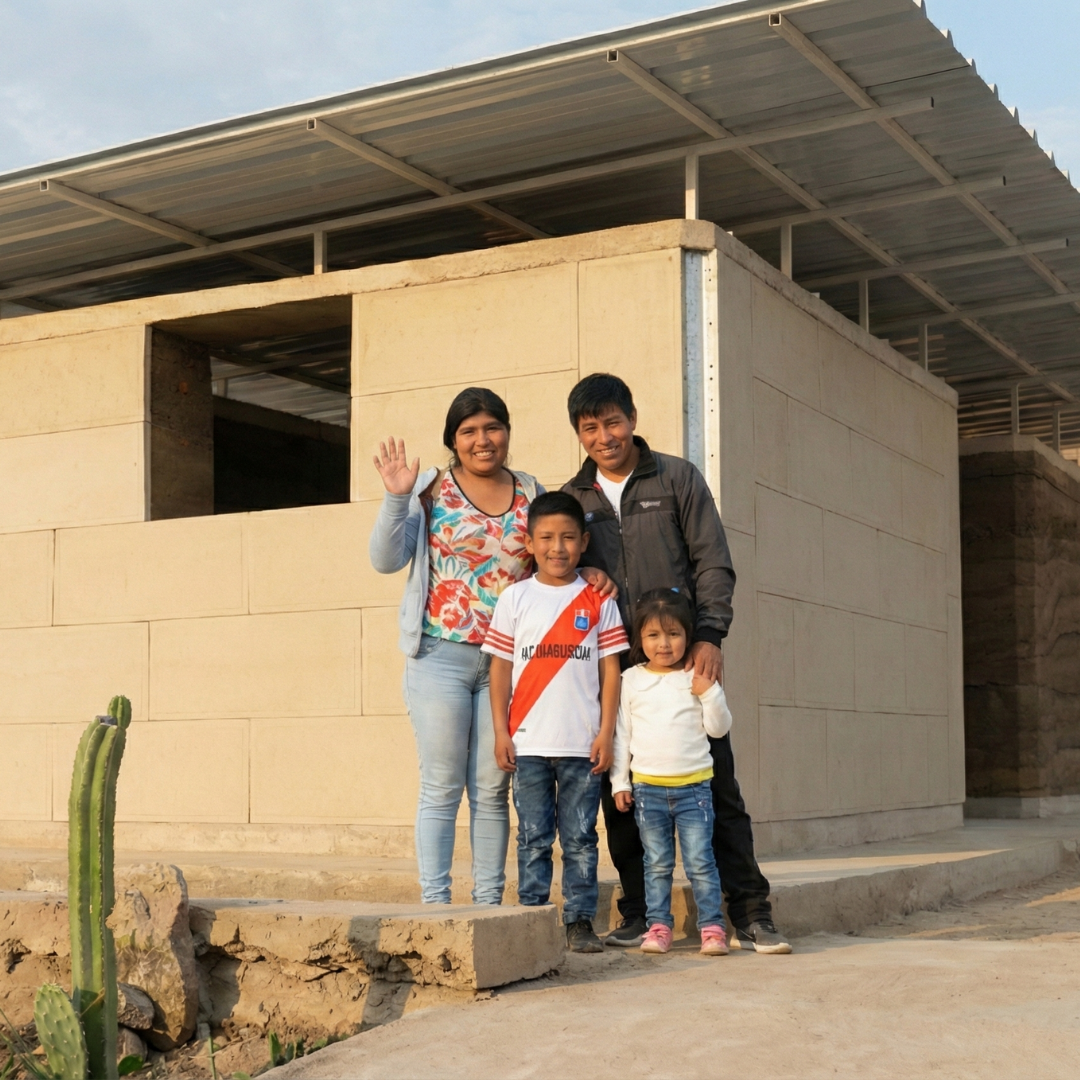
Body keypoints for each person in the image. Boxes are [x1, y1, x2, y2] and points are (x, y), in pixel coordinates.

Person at [562, 372, 791, 954]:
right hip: (616, 671)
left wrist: (710, 635)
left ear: (632, 419)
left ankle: (751, 914)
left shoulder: (676, 477)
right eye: (591, 428)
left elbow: (713, 560)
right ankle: (640, 913)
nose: (605, 436)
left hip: (681, 658)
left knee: (720, 790)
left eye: (613, 422)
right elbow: (554, 570)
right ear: (580, 434)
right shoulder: (576, 499)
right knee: (623, 795)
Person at [369, 387, 613, 906]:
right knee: (440, 786)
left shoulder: (528, 489)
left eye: (492, 427)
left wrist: (585, 570)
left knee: (491, 789)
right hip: (440, 657)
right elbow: (386, 560)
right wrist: (396, 497)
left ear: (506, 431)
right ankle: (436, 904)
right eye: (469, 431)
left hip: (508, 666)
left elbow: (551, 546)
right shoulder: (431, 488)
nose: (483, 440)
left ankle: (486, 906)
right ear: (453, 441)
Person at [483, 492, 629, 952]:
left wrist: (606, 733)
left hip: (582, 745)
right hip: (526, 744)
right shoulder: (515, 598)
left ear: (584, 542)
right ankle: (533, 915)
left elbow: (610, 670)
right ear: (529, 542)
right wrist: (501, 732)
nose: (558, 548)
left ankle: (579, 921)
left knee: (581, 838)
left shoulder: (598, 599)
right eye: (546, 538)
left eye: (568, 538)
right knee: (533, 837)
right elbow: (500, 668)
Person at [612, 589, 734, 956]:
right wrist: (620, 781)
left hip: (694, 788)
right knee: (657, 863)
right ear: (640, 639)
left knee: (700, 861)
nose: (664, 644)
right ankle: (658, 927)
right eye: (653, 635)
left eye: (674, 634)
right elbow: (622, 734)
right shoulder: (631, 679)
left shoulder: (695, 675)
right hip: (648, 790)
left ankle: (712, 929)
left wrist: (709, 693)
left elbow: (719, 729)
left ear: (689, 635)